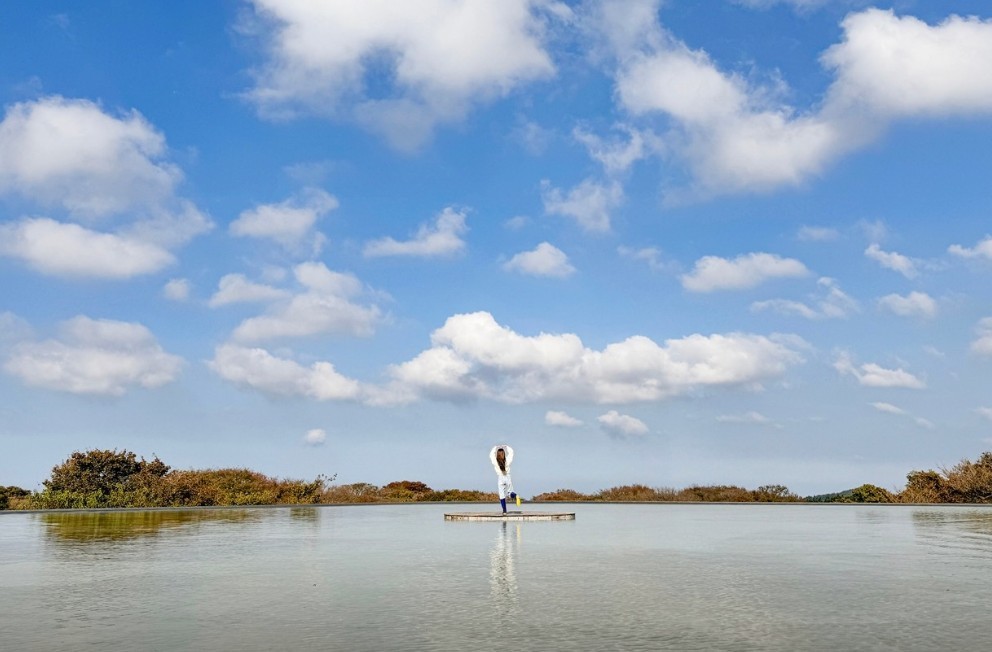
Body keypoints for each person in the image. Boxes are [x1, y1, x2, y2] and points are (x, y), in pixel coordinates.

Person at [489, 444, 517, 514]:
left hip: (500, 478)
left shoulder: (495, 462)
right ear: (504, 454)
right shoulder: (507, 461)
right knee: (510, 492)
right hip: (507, 476)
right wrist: (506, 446)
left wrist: (495, 447)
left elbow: (491, 455)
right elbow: (511, 452)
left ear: (497, 454)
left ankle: (504, 511)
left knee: (502, 495)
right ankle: (516, 496)